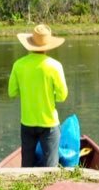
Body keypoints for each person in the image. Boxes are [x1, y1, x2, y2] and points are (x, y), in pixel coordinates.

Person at [8, 24, 68, 167]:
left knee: (26, 165)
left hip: (27, 122)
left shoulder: (19, 65)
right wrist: (50, 96)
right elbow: (62, 96)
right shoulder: (55, 66)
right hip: (49, 124)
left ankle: (25, 188)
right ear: (47, 46)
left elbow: (12, 92)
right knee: (50, 168)